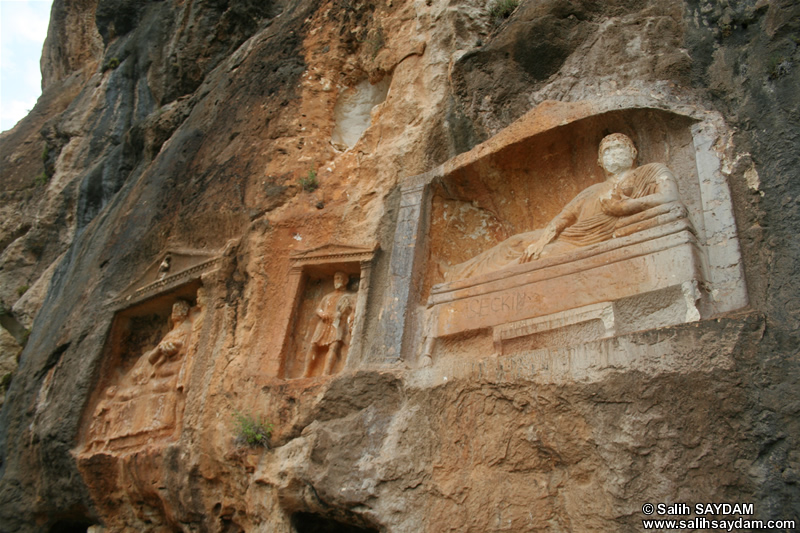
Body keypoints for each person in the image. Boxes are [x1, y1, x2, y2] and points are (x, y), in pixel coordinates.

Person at [444, 133, 682, 282]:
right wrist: (541, 241)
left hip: (590, 240)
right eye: (607, 151)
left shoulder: (651, 171)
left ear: (633, 152)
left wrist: (626, 206)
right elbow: (562, 218)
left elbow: (670, 197)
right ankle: (457, 274)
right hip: (571, 234)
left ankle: (470, 286)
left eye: (619, 147)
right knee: (516, 242)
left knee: (538, 258)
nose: (613, 154)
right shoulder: (591, 191)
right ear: (600, 162)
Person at [303, 272, 355, 377]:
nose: (337, 280)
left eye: (340, 278)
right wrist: (322, 314)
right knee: (313, 345)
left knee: (334, 346)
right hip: (323, 323)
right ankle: (306, 373)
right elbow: (319, 308)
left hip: (337, 324)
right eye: (336, 278)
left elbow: (349, 309)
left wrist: (340, 314)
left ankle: (326, 373)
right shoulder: (327, 296)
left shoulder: (348, 297)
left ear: (345, 281)